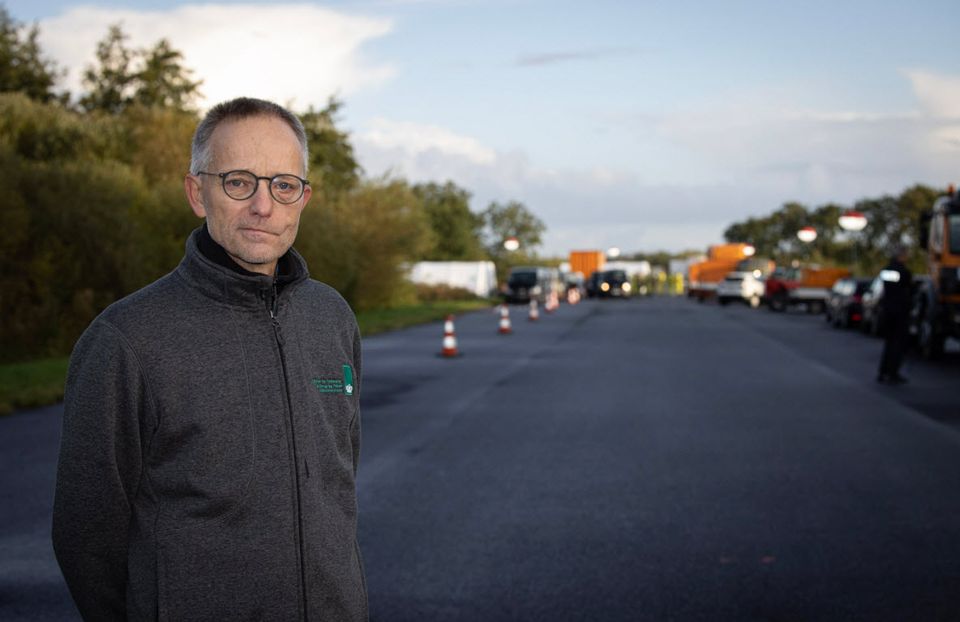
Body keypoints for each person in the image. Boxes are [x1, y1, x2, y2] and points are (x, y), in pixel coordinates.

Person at [52, 97, 368, 621]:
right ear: (197, 193)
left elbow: (338, 484)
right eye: (238, 181)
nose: (263, 206)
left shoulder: (331, 317)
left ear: (303, 198)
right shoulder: (126, 339)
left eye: (282, 185)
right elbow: (86, 535)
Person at [876, 245, 913, 385]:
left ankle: (883, 371)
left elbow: (886, 286)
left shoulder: (887, 270)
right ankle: (893, 372)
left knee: (889, 343)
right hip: (900, 312)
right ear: (901, 256)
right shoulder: (904, 271)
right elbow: (908, 287)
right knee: (898, 343)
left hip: (888, 310)